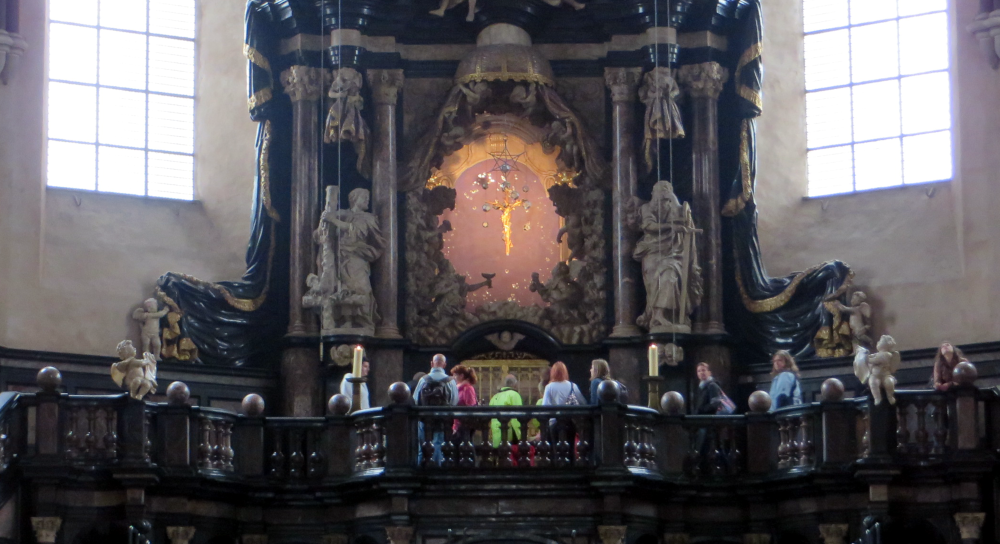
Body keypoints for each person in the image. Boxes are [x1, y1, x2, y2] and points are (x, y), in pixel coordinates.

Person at [413, 354, 459, 465]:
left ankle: (422, 468)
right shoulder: (450, 381)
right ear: (444, 365)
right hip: (443, 419)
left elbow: (415, 399)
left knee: (422, 445)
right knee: (438, 443)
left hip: (425, 419)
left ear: (432, 363)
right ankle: (437, 467)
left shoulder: (423, 380)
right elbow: (454, 401)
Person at [489, 374, 523, 448]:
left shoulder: (495, 397)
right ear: (514, 384)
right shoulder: (514, 395)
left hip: (496, 435)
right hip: (510, 434)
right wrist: (520, 435)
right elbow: (517, 417)